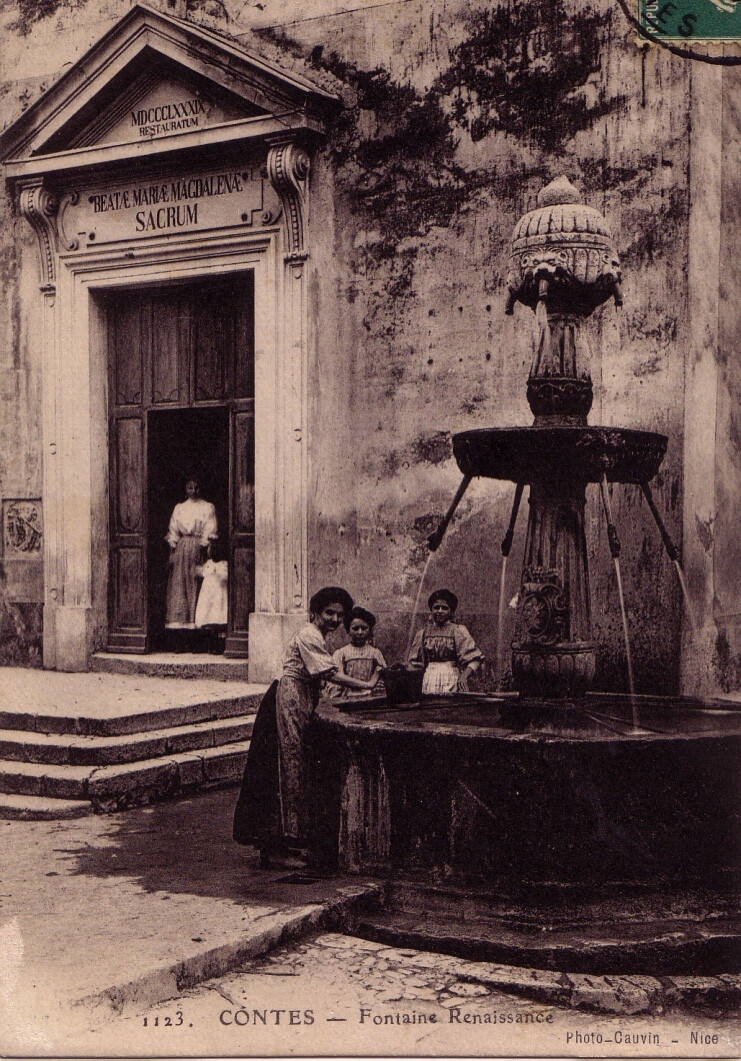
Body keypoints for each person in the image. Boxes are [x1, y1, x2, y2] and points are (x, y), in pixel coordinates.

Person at [233, 587, 376, 867]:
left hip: (296, 704)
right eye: (329, 613)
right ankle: (275, 850)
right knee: (284, 770)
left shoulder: (317, 636)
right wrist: (367, 686)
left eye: (339, 615)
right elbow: (330, 673)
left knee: (293, 770)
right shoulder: (310, 635)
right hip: (285, 704)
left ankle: (287, 843)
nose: (334, 619)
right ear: (315, 613)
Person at [164, 477, 217, 630]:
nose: (193, 491)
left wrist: (204, 546)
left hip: (197, 550)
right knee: (179, 587)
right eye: (190, 487)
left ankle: (197, 628)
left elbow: (210, 529)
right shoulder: (179, 508)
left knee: (196, 585)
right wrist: (172, 550)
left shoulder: (207, 507)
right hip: (181, 551)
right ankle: (180, 630)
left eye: (196, 487)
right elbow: (173, 530)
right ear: (185, 489)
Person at [408, 588, 483, 695]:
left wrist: (463, 677)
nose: (440, 611)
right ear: (431, 610)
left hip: (451, 678)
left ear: (451, 611)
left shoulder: (458, 631)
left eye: (444, 608)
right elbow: (414, 664)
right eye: (436, 607)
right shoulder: (423, 633)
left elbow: (475, 659)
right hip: (429, 679)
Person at [329, 606, 387, 699]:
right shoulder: (341, 654)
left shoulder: (375, 653)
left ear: (369, 630)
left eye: (364, 628)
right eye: (355, 628)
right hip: (347, 699)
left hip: (370, 698)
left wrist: (378, 686)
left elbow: (383, 675)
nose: (360, 632)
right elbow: (336, 679)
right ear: (348, 631)